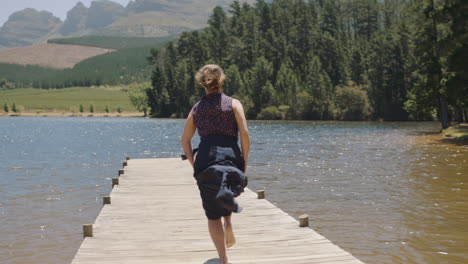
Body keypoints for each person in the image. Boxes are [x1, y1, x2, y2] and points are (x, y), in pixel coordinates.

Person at [181, 64, 250, 264]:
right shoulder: (234, 104)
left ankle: (222, 259)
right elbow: (245, 135)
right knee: (226, 191)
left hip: (206, 159)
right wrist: (244, 161)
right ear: (221, 81)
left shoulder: (197, 108)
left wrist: (194, 165)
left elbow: (185, 140)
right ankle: (228, 221)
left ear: (202, 83)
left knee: (212, 214)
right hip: (231, 156)